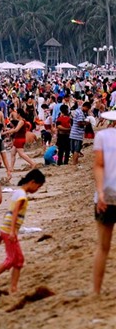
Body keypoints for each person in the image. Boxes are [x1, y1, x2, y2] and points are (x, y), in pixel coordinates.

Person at [0, 169, 46, 297]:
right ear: (32, 182)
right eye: (38, 186)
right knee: (11, 259)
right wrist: (12, 232)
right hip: (10, 231)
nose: (37, 189)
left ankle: (13, 288)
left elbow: (8, 213)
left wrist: (2, 233)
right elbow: (14, 213)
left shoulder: (18, 192)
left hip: (6, 230)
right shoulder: (22, 196)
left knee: (19, 260)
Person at [92, 110, 116, 295]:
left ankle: (96, 291)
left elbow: (99, 165)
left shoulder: (102, 136)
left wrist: (100, 192)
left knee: (103, 246)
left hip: (106, 195)